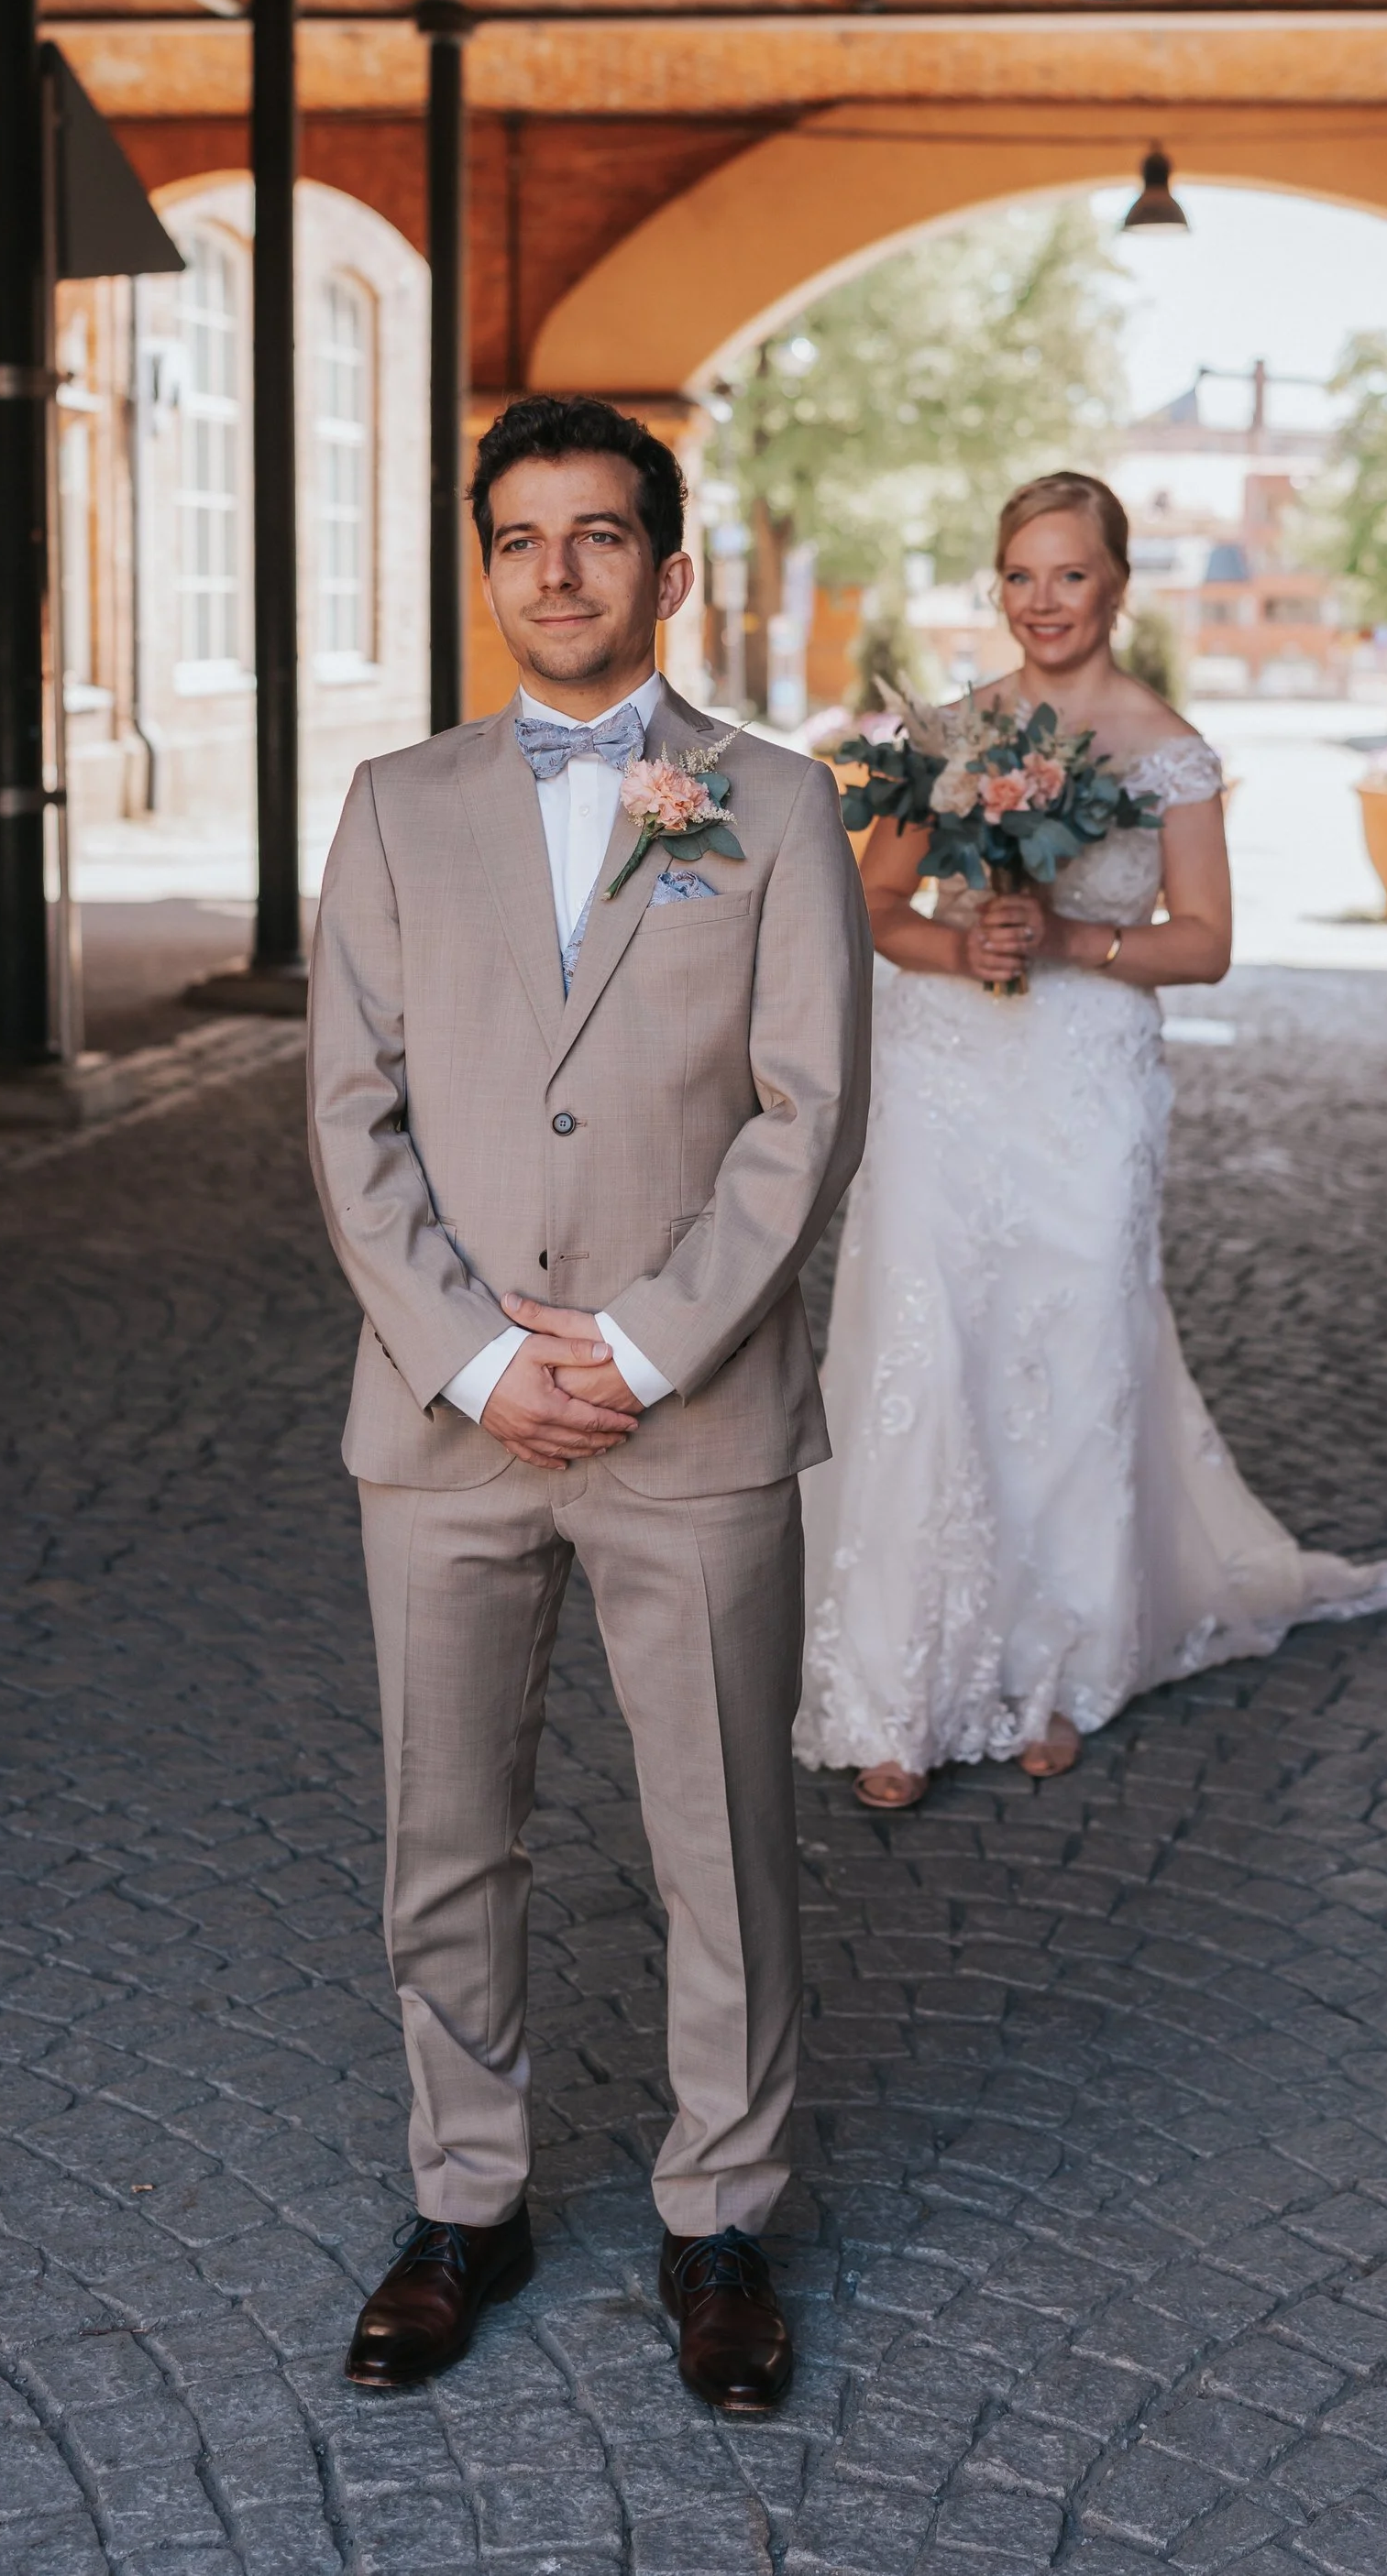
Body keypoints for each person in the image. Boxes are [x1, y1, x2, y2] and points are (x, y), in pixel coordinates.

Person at [307, 394, 872, 2411]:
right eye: (523, 537)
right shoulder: (390, 802)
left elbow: (805, 1119)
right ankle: (466, 2196)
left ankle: (718, 2218)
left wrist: (633, 1349)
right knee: (444, 1829)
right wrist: (474, 1355)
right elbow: (346, 1112)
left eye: (599, 534)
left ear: (669, 563)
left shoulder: (773, 806)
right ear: (485, 568)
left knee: (721, 1838)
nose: (559, 570)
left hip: (691, 1422)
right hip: (440, 1423)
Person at [796, 471, 1387, 1812]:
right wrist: (967, 941)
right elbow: (879, 904)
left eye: (1071, 574)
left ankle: (1055, 1672)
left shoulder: (1168, 748)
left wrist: (1072, 940)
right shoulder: (949, 732)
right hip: (947, 1065)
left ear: (1120, 585)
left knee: (1069, 1352)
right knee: (926, 1345)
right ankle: (894, 1689)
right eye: (1021, 574)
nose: (1044, 601)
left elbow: (1209, 944)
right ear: (996, 585)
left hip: (1086, 1080)